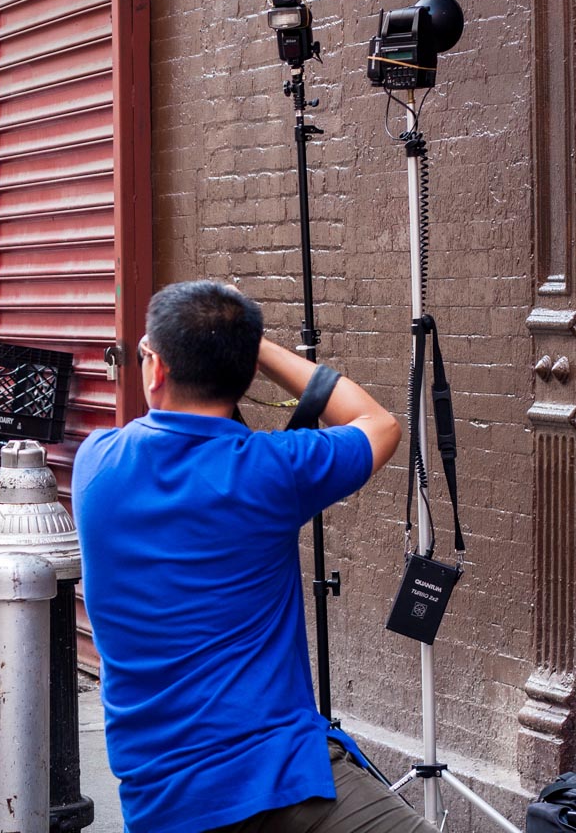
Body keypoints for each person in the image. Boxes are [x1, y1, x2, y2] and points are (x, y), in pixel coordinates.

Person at [73, 281, 424, 833]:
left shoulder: (96, 464)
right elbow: (380, 424)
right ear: (244, 375)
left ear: (155, 368)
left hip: (166, 804)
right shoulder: (273, 471)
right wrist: (254, 347)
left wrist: (216, 343)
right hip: (284, 777)